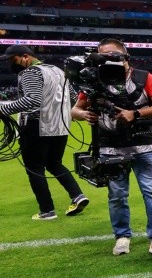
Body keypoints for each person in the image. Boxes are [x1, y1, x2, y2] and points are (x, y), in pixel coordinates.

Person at [71, 39, 152, 258]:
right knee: (117, 195)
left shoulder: (144, 77)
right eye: (102, 56)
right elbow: (74, 110)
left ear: (126, 57)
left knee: (151, 192)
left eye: (113, 56)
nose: (108, 60)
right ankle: (122, 236)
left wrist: (135, 114)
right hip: (110, 147)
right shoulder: (94, 81)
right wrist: (85, 114)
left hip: (143, 144)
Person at [0, 44, 89, 220]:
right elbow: (72, 97)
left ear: (25, 57)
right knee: (54, 163)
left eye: (14, 60)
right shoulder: (57, 71)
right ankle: (78, 196)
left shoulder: (30, 73)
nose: (12, 64)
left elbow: (32, 101)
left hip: (36, 126)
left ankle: (47, 210)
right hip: (60, 126)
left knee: (34, 168)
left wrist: (4, 109)